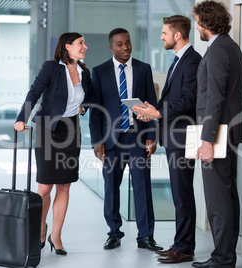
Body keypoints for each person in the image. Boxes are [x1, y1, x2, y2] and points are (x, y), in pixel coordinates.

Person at [14, 32, 94, 256]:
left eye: (84, 43)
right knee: (45, 187)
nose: (85, 46)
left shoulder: (84, 72)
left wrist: (83, 107)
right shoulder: (51, 67)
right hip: (48, 130)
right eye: (80, 43)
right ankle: (40, 229)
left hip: (70, 131)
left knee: (65, 186)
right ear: (67, 47)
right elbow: (34, 92)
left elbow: (92, 97)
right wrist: (22, 118)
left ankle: (56, 236)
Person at [133, 15, 202, 264]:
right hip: (174, 137)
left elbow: (188, 100)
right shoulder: (178, 60)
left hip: (183, 138)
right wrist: (152, 110)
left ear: (177, 35)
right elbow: (172, 98)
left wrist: (159, 112)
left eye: (164, 32)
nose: (161, 36)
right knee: (179, 194)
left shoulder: (193, 61)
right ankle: (181, 243)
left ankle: (184, 248)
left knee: (182, 194)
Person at [88, 28, 162, 251]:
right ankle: (114, 232)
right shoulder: (99, 72)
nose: (125, 47)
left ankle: (146, 236)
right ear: (112, 47)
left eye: (128, 43)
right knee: (111, 187)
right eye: (120, 44)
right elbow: (95, 110)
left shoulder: (143, 69)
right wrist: (97, 141)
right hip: (112, 141)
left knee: (142, 188)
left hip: (138, 138)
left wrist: (151, 136)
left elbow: (152, 105)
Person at [191, 1, 242, 267]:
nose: (196, 26)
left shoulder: (217, 51)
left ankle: (222, 259)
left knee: (218, 199)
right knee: (227, 196)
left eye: (198, 21)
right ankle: (226, 256)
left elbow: (214, 98)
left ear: (206, 23)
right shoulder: (230, 47)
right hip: (226, 132)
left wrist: (206, 140)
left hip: (218, 134)